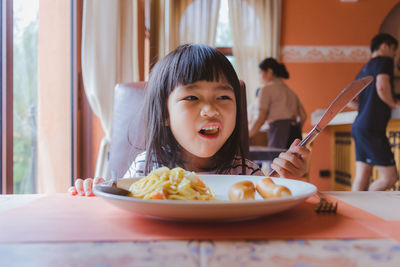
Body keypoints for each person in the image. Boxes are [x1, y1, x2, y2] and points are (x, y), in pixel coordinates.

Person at [70, 44, 310, 196]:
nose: (210, 110)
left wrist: (289, 182)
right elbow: (122, 197)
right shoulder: (146, 167)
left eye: (223, 97)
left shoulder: (245, 172)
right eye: (192, 97)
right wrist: (93, 189)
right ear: (165, 114)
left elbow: (270, 201)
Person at [348, 33, 399, 191]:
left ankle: (356, 211)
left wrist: (367, 106)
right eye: (394, 50)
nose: (394, 55)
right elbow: (382, 85)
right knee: (390, 178)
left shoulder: (364, 69)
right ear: (385, 46)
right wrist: (392, 104)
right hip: (372, 128)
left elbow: (350, 100)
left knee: (362, 175)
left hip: (359, 126)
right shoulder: (385, 62)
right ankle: (369, 206)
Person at [248, 58, 306, 149]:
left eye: (260, 72)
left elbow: (261, 118)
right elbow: (303, 115)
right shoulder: (291, 91)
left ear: (269, 71)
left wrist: (247, 135)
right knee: (293, 162)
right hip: (295, 132)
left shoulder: (266, 89)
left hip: (279, 132)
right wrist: (294, 129)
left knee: (277, 161)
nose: (259, 76)